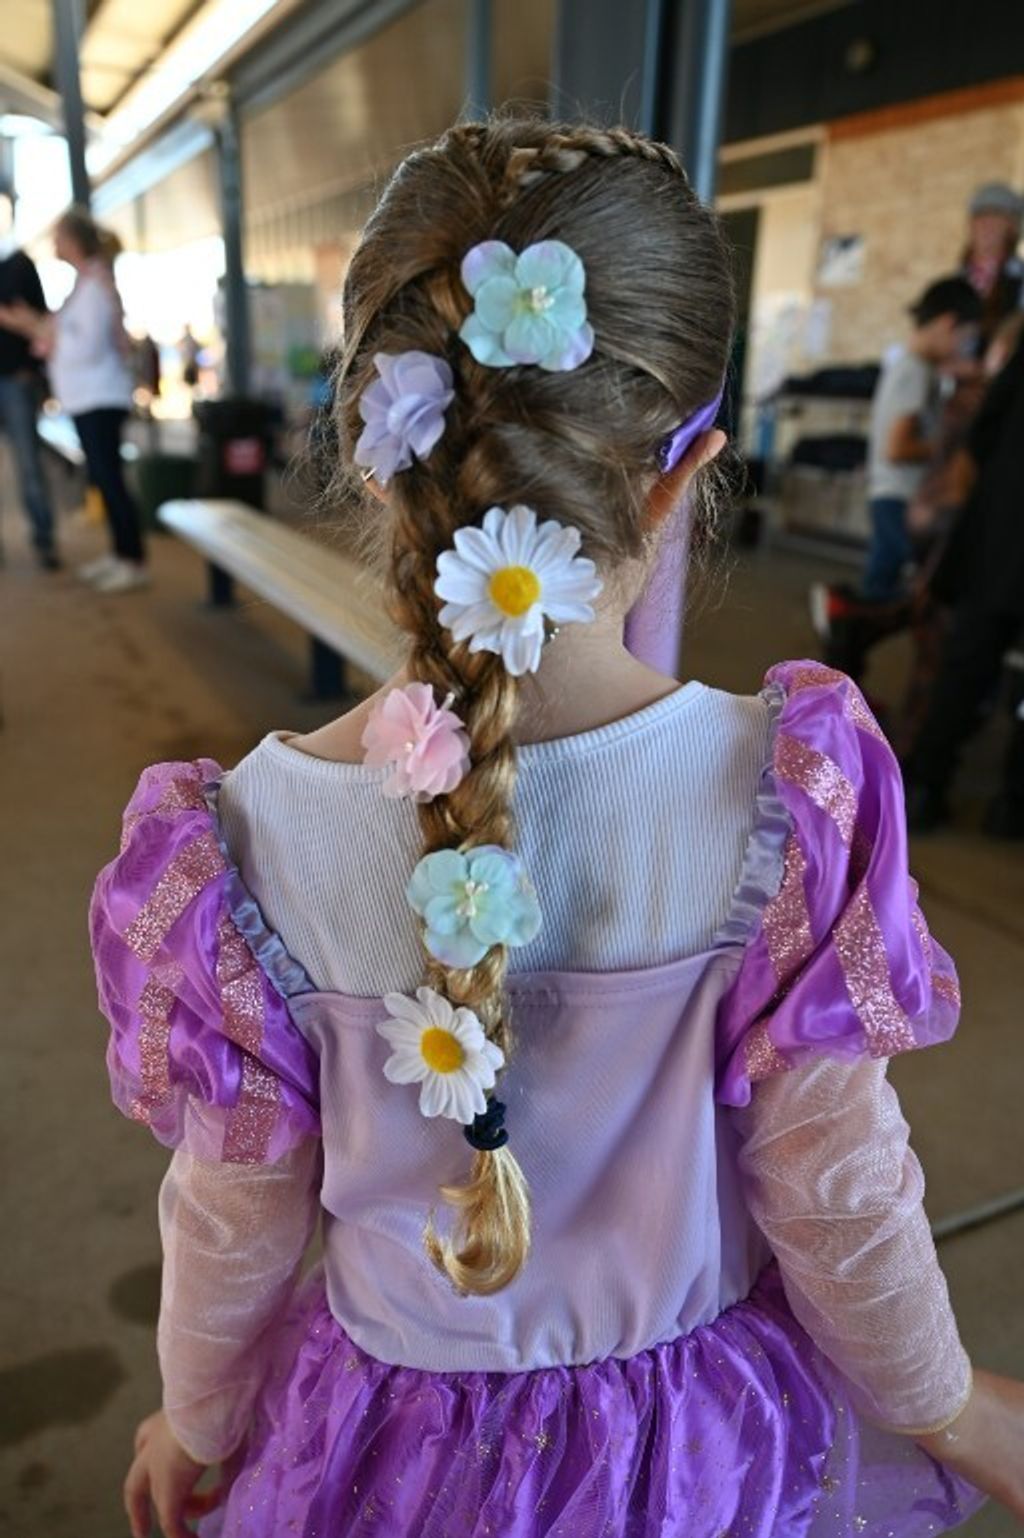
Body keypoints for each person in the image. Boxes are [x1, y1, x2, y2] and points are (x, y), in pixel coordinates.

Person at [89, 119, 1024, 1538]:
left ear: (375, 454)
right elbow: (835, 1182)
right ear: (683, 472)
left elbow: (235, 1208)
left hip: (380, 1449)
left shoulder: (243, 840)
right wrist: (947, 1405)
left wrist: (199, 1413)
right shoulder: (784, 798)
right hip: (690, 1456)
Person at [810, 276, 982, 677]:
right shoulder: (913, 372)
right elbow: (898, 447)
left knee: (885, 596)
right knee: (888, 603)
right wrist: (951, 447)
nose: (962, 348)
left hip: (893, 496)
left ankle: (844, 667)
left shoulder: (914, 367)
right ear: (948, 323)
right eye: (965, 338)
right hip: (899, 498)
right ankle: (838, 626)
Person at [904, 323, 1024, 833]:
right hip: (1001, 533)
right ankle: (1011, 807)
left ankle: (925, 789)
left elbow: (982, 437)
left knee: (964, 666)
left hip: (1001, 534)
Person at [0, 207, 148, 594]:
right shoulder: (86, 285)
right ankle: (121, 554)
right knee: (103, 477)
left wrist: (36, 331)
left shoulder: (95, 288)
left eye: (58, 238)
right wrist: (36, 327)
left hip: (100, 397)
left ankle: (132, 560)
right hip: (88, 398)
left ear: (73, 241)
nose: (54, 245)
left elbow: (86, 347)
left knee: (111, 479)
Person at [0, 194, 60, 569]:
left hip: (16, 381)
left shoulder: (21, 264)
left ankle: (44, 540)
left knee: (29, 464)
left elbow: (41, 323)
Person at [960, 182, 1024, 343]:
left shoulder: (1019, 279)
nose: (986, 224)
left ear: (1013, 227)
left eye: (996, 215)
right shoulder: (956, 281)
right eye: (980, 215)